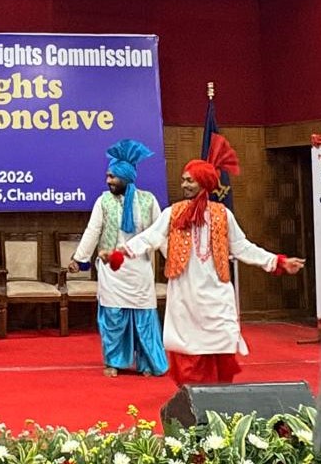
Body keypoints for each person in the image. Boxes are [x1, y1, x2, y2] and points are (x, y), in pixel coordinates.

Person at [117, 134, 304, 385]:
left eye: (189, 180)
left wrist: (277, 261)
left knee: (222, 340)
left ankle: (218, 394)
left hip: (216, 292)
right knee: (188, 347)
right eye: (183, 180)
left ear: (203, 183)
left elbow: (242, 247)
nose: (184, 185)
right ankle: (192, 394)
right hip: (184, 292)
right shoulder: (173, 213)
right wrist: (122, 252)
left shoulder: (223, 214)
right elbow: (150, 237)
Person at [68, 139, 167, 378]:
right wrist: (79, 259)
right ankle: (114, 361)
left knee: (143, 317)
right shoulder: (103, 201)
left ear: (126, 177)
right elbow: (93, 231)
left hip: (140, 269)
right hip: (111, 271)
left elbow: (160, 232)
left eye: (112, 176)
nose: (108, 181)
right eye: (108, 176)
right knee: (113, 317)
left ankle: (148, 363)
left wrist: (173, 260)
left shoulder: (148, 200)